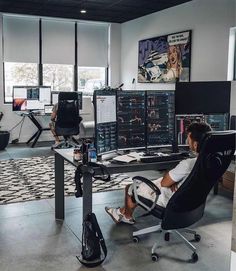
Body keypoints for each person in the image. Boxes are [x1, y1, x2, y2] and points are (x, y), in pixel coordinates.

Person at [105, 122, 212, 225]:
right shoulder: (210, 163)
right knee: (146, 186)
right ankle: (120, 213)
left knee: (130, 187)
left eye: (189, 138)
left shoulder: (187, 164)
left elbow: (165, 183)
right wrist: (177, 181)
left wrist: (171, 178)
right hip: (192, 204)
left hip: (170, 202)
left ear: (195, 144)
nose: (187, 141)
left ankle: (126, 216)